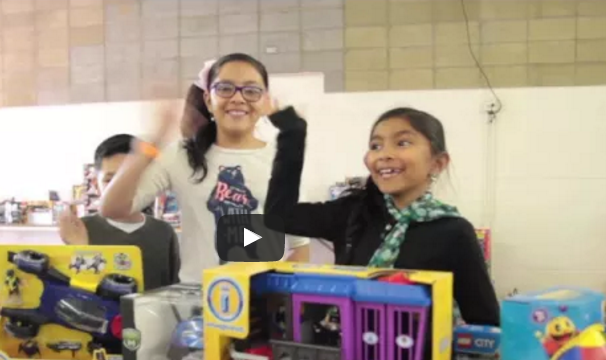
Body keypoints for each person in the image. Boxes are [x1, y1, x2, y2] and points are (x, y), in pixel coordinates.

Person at [263, 106, 499, 326]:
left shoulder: (453, 233)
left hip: (419, 355)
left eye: (402, 143)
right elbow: (278, 217)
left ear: (437, 163)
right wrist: (292, 134)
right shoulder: (355, 212)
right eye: (376, 146)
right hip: (345, 350)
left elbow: (485, 322)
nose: (384, 154)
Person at [99, 53, 310, 283]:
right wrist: (153, 141)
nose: (238, 98)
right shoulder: (181, 156)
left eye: (251, 91)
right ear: (209, 100)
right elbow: (112, 209)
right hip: (196, 298)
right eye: (225, 88)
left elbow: (300, 248)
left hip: (257, 298)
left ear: (264, 101)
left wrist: (272, 290)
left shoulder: (280, 159)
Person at [58, 134, 180, 291]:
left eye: (130, 178)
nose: (121, 189)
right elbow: (74, 295)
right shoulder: (79, 229)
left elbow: (174, 290)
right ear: (95, 184)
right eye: (110, 180)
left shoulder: (163, 232)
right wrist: (82, 248)